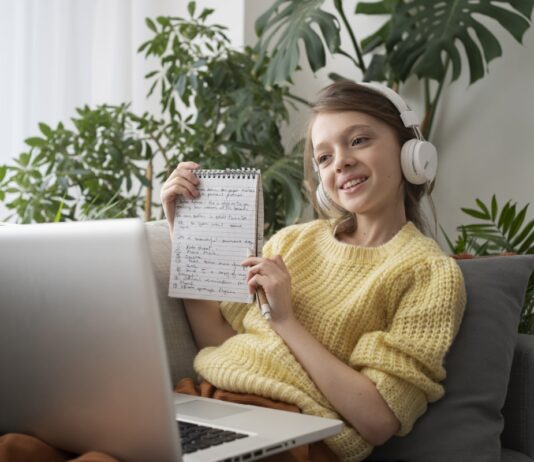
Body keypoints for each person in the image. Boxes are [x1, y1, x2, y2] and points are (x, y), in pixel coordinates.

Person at [160, 80, 466, 462]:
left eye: (358, 141)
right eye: (323, 157)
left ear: (410, 152)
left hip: (292, 435)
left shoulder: (428, 273)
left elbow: (379, 419)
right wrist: (187, 236)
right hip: (206, 400)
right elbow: (218, 339)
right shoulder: (291, 243)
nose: (341, 162)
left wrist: (285, 321)